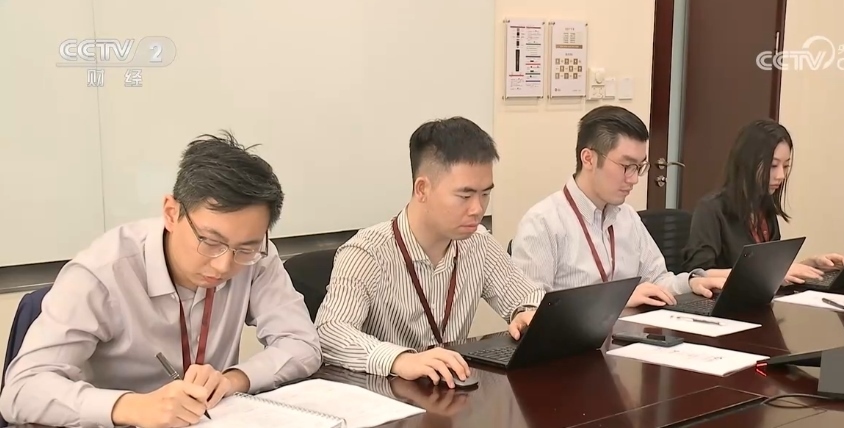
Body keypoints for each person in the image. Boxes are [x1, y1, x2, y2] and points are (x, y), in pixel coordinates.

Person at [0, 132, 323, 428]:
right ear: (171, 212)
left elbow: (302, 344)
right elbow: (21, 391)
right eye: (210, 241)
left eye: (245, 248)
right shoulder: (102, 273)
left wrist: (233, 379)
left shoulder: (257, 256)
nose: (224, 265)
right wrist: (133, 407)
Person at [315, 117, 544, 389]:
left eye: (485, 194)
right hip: (387, 396)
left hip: (450, 395)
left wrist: (528, 312)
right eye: (465, 196)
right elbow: (330, 332)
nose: (477, 209)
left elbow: (530, 297)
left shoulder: (478, 243)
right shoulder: (367, 253)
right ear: (422, 189)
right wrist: (400, 359)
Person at [511, 106, 727, 308]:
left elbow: (657, 281)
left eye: (639, 167)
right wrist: (616, 301)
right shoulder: (543, 223)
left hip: (630, 333)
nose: (634, 179)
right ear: (588, 159)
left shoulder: (627, 216)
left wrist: (691, 283)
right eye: (626, 166)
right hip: (570, 337)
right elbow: (532, 309)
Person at [682, 119, 844, 284]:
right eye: (773, 165)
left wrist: (811, 265)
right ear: (748, 163)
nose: (781, 176)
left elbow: (772, 270)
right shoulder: (711, 209)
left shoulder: (764, 208)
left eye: (786, 166)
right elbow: (697, 274)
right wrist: (771, 272)